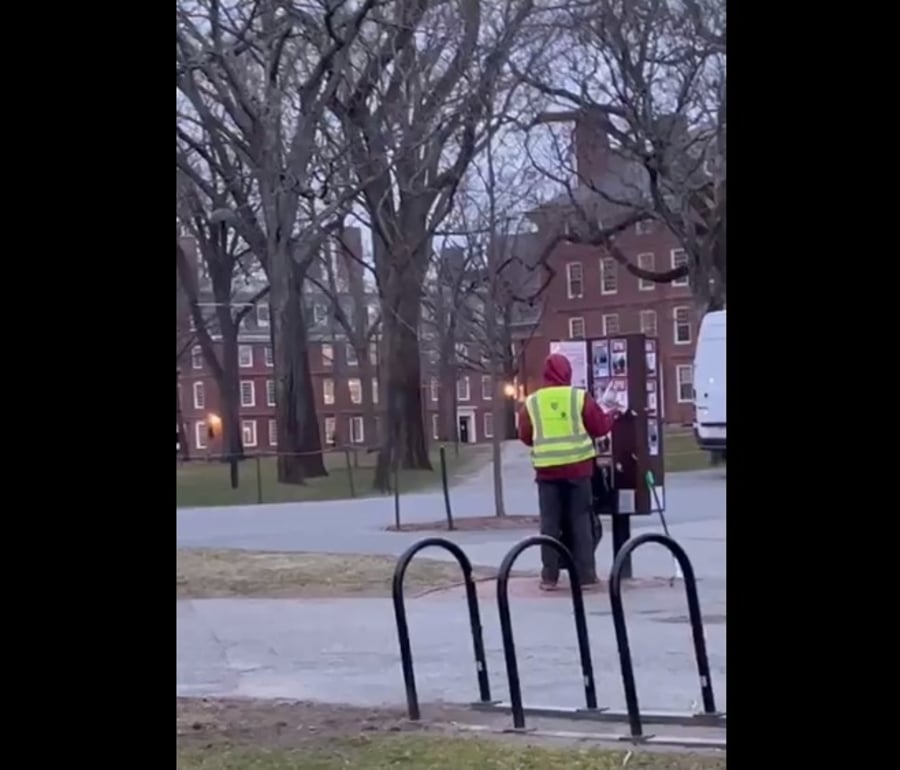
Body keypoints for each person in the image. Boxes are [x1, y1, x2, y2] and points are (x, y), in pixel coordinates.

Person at [518, 353, 621, 591]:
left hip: (546, 473)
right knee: (581, 520)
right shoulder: (578, 397)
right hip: (578, 469)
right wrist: (612, 415)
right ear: (567, 373)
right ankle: (586, 575)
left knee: (550, 523)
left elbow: (524, 435)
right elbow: (599, 427)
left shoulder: (533, 402)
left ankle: (549, 577)